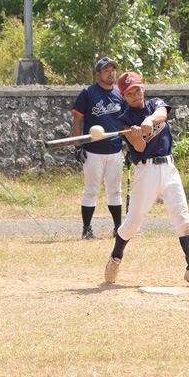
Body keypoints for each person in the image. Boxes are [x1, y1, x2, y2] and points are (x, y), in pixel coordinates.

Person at [103, 71, 189, 287]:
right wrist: (136, 135)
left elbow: (162, 115)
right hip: (146, 171)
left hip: (169, 168)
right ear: (123, 96)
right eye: (130, 93)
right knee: (132, 223)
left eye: (138, 89)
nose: (136, 95)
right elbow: (138, 148)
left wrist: (148, 120)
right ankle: (115, 259)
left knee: (182, 218)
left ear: (143, 88)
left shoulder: (154, 104)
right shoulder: (124, 120)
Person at [71, 57, 125, 240]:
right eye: (106, 70)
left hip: (115, 149)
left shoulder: (119, 94)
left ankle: (118, 228)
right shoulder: (88, 93)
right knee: (91, 189)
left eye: (112, 70)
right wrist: (79, 145)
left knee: (115, 190)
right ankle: (87, 229)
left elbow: (125, 123)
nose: (110, 73)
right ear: (98, 74)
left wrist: (130, 146)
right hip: (93, 151)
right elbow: (77, 119)